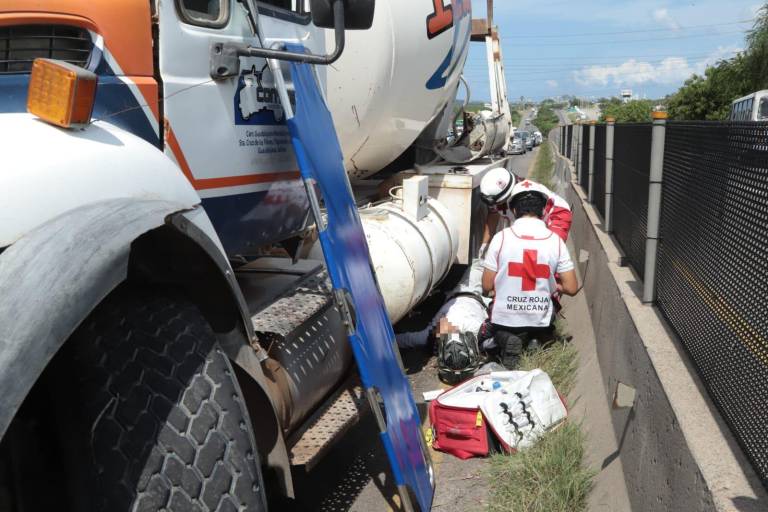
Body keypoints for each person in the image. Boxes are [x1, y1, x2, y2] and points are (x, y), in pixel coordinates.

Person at [481, 182, 579, 369]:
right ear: (543, 210)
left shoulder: (501, 238)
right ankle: (536, 338)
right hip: (540, 319)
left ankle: (505, 339)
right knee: (543, 321)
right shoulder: (555, 241)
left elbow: (486, 286)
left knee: (484, 336)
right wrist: (552, 285)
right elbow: (572, 288)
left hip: (506, 320)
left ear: (514, 209)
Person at [396, 258, 489, 350]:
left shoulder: (429, 335)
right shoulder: (473, 328)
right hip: (474, 295)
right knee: (482, 264)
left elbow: (406, 340)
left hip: (460, 293)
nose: (435, 330)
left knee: (479, 264)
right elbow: (491, 329)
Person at [479, 167, 572, 245]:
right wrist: (485, 245)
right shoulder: (499, 193)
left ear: (509, 197)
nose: (495, 206)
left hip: (557, 216)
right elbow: (493, 215)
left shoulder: (528, 198)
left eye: (498, 203)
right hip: (535, 219)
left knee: (552, 250)